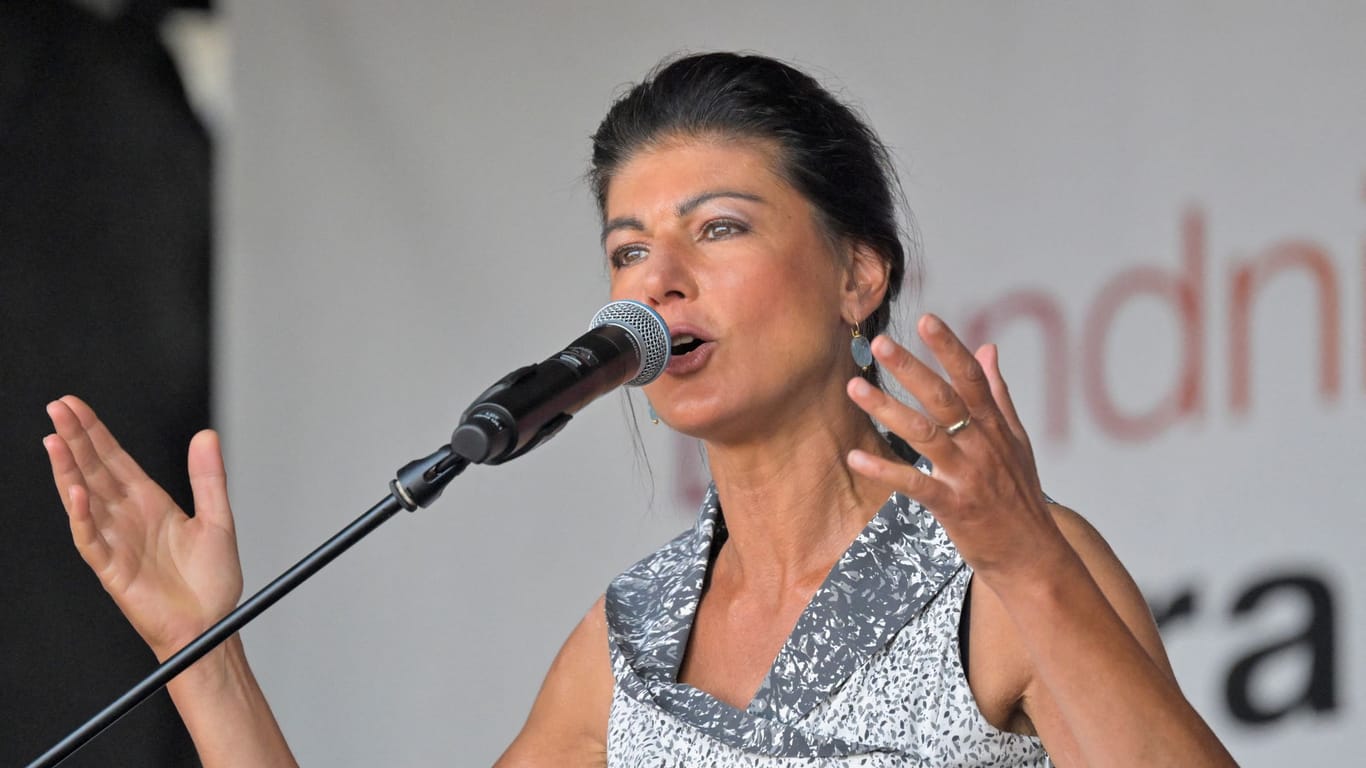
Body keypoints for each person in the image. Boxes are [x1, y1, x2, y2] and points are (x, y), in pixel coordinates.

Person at [42, 52, 1237, 766]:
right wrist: (196, 654)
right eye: (627, 247)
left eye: (717, 228)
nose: (655, 282)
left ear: (856, 277)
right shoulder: (631, 640)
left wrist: (1028, 562)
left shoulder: (1002, 570)